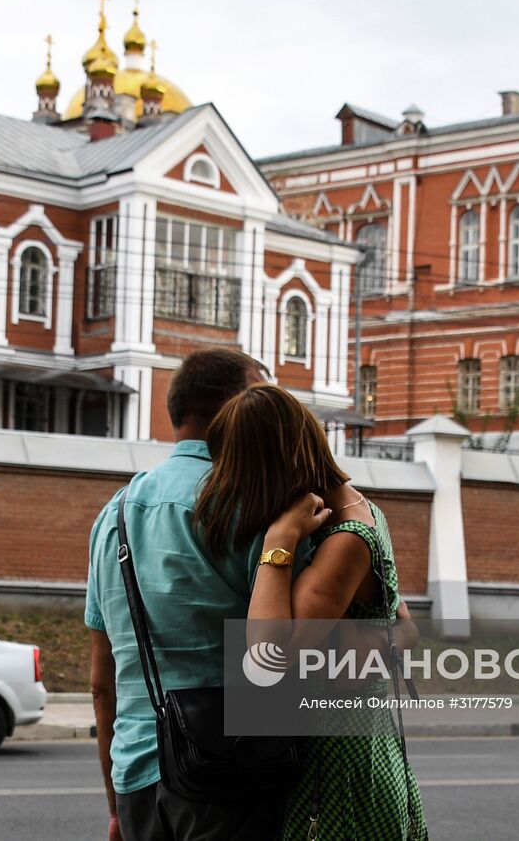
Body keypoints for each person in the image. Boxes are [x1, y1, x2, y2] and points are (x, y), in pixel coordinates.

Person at [196, 383, 429, 841]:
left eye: (237, 469)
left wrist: (278, 542)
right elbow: (398, 619)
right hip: (359, 743)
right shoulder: (362, 509)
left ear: (266, 464)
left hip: (338, 769)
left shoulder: (344, 540)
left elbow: (268, 657)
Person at [85, 348, 276, 841]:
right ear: (236, 406)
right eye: (262, 396)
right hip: (227, 778)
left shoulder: (114, 515)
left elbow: (101, 683)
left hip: (135, 778)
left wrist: (115, 807)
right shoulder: (251, 505)